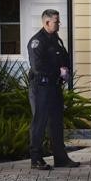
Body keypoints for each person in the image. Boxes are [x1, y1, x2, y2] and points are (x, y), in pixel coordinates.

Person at [27, 9, 80, 170]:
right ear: (47, 22)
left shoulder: (56, 39)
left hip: (54, 87)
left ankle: (61, 158)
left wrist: (66, 71)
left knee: (56, 123)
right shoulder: (37, 41)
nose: (59, 23)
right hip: (41, 87)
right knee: (40, 123)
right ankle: (36, 159)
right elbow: (37, 67)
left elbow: (64, 57)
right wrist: (58, 71)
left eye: (59, 20)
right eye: (56, 21)